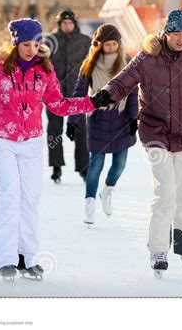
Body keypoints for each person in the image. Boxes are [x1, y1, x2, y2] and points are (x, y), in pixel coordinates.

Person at [0, 18, 100, 280]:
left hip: (31, 141)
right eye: (26, 44)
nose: (31, 49)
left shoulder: (44, 70)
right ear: (15, 43)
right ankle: (6, 259)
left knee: (30, 200)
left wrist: (92, 103)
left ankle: (26, 258)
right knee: (9, 197)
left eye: (37, 43)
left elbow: (58, 105)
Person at [91, 10, 182, 277]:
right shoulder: (148, 57)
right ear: (166, 33)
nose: (180, 39)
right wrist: (106, 94)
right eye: (175, 34)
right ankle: (158, 249)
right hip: (155, 132)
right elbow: (123, 81)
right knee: (166, 190)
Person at [67, 24, 138, 226]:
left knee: (119, 165)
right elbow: (79, 94)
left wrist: (134, 119)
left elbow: (132, 94)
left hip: (121, 120)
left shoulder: (126, 65)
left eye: (115, 43)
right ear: (99, 45)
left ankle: (107, 191)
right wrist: (72, 122)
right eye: (107, 44)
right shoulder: (89, 66)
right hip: (98, 120)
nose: (112, 47)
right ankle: (89, 205)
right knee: (96, 165)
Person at [45, 9, 91, 183]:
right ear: (59, 24)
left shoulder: (85, 41)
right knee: (54, 130)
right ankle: (56, 167)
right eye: (64, 23)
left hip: (77, 94)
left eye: (70, 22)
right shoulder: (50, 41)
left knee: (81, 131)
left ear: (75, 24)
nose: (67, 25)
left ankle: (84, 168)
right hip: (54, 94)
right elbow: (41, 65)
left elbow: (92, 65)